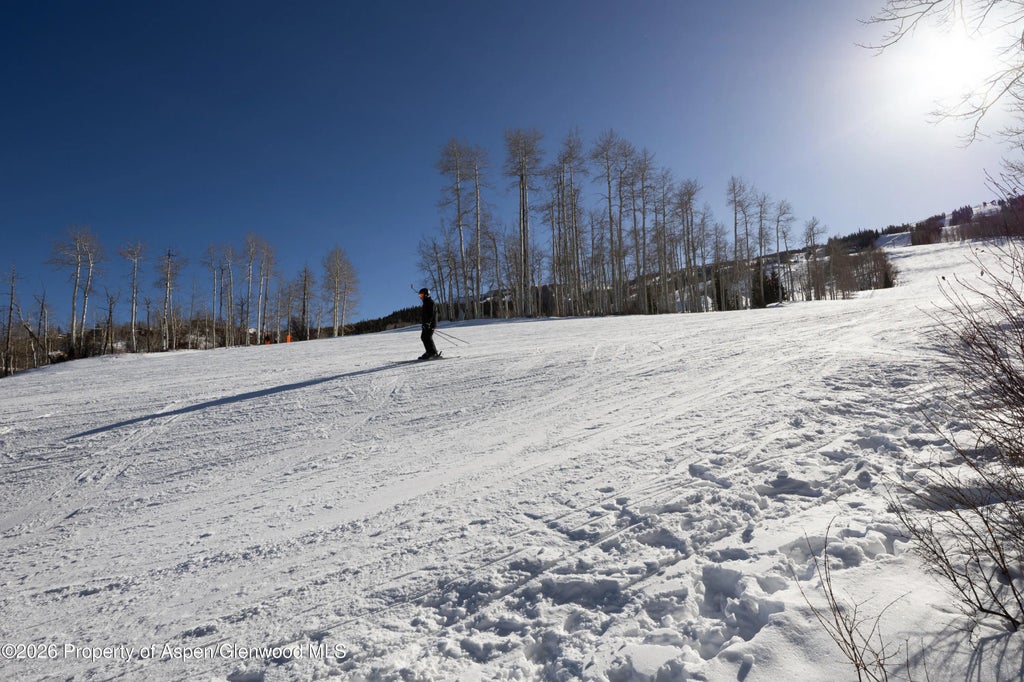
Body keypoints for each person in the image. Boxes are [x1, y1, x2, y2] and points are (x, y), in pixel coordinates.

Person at [417, 287, 439, 359]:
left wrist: (428, 323)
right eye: (420, 296)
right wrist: (424, 323)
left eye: (421, 295)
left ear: (426, 295)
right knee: (423, 337)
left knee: (428, 337)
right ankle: (429, 352)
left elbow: (431, 314)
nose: (421, 297)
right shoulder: (425, 303)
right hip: (426, 324)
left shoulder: (430, 302)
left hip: (430, 324)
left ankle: (433, 353)